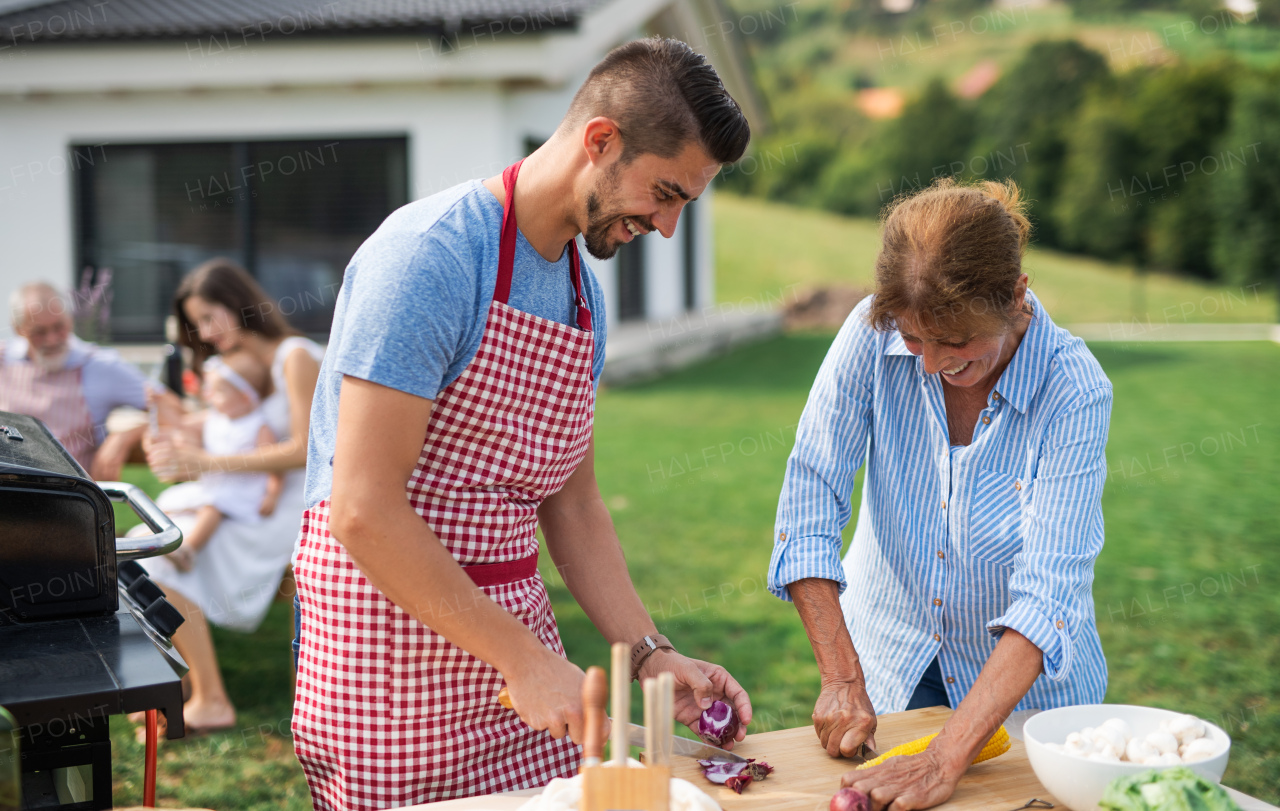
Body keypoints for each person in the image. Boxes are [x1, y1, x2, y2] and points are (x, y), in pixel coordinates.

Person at [292, 37, 753, 808]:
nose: (668, 227)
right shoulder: (428, 258)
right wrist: (524, 662)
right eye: (665, 193)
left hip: (519, 675)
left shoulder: (583, 298)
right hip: (386, 661)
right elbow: (364, 509)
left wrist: (648, 654)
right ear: (600, 140)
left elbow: (572, 505)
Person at [768, 178, 1111, 809]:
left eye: (955, 343)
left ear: (1016, 295)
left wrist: (944, 758)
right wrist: (841, 676)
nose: (928, 364)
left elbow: (1049, 594)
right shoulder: (868, 337)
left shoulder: (1074, 390)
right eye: (913, 338)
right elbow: (810, 497)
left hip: (1028, 707)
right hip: (891, 674)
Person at [142, 258, 323, 734]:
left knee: (162, 554)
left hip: (289, 507)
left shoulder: (296, 355)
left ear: (237, 304)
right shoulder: (243, 367)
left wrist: (207, 464)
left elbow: (307, 447)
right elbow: (216, 423)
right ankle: (182, 684)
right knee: (144, 540)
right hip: (248, 498)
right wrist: (147, 431)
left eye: (207, 318)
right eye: (195, 324)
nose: (202, 333)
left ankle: (211, 698)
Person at [147, 351, 284, 573]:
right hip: (213, 485)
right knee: (170, 500)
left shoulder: (258, 425)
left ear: (245, 396)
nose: (209, 395)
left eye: (219, 391)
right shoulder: (213, 419)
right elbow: (181, 424)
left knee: (212, 507)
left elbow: (273, 464)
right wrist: (161, 404)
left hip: (241, 490)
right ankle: (156, 540)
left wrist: (273, 492)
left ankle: (187, 552)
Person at [2, 281, 155, 479]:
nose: (52, 339)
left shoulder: (98, 365)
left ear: (70, 320)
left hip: (68, 497)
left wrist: (124, 437)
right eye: (39, 332)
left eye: (59, 327)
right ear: (18, 329)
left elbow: (167, 407)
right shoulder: (3, 360)